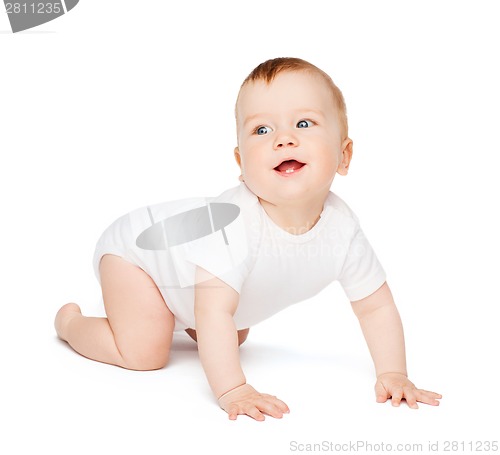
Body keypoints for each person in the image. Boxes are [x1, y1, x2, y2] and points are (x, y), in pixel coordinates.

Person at [55, 57, 442, 421]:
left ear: (344, 156)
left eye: (304, 124)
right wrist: (234, 389)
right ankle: (71, 324)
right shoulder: (235, 225)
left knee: (230, 335)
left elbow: (375, 307)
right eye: (262, 130)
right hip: (136, 256)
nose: (284, 139)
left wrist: (394, 372)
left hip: (192, 281)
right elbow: (212, 311)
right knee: (146, 351)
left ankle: (180, 318)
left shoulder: (343, 229)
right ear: (241, 165)